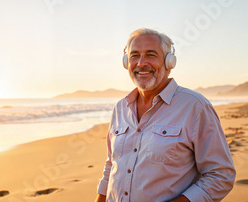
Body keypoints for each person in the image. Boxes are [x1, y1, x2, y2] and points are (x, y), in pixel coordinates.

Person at [95, 28, 235, 202]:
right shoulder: (120, 108)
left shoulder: (195, 107)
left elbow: (220, 175)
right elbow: (111, 165)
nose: (141, 63)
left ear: (169, 62)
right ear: (126, 62)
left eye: (151, 55)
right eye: (134, 55)